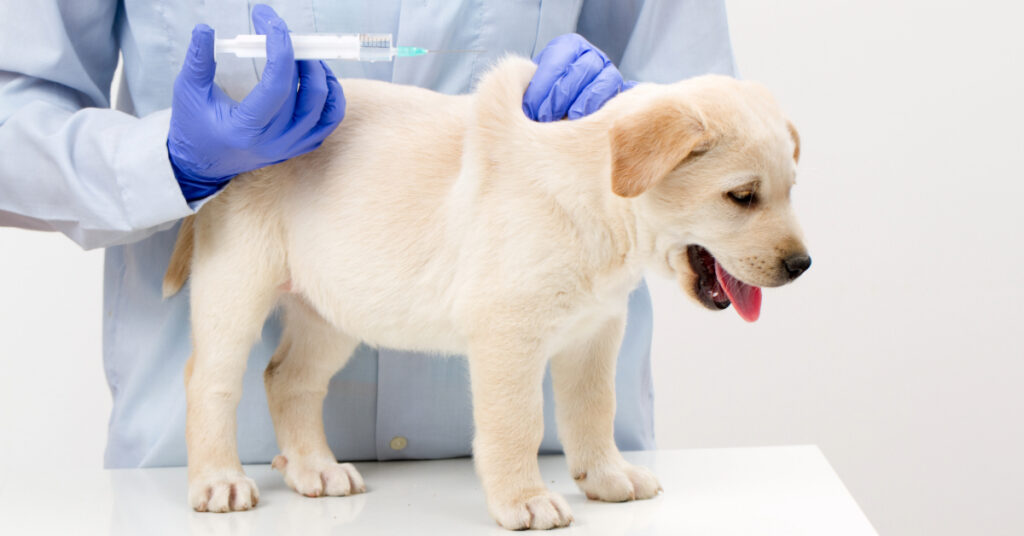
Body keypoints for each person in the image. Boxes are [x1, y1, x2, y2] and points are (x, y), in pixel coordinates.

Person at [0, 2, 736, 468]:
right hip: (220, 482)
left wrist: (632, 113)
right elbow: (13, 110)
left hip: (542, 476)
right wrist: (162, 162)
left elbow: (715, 121)